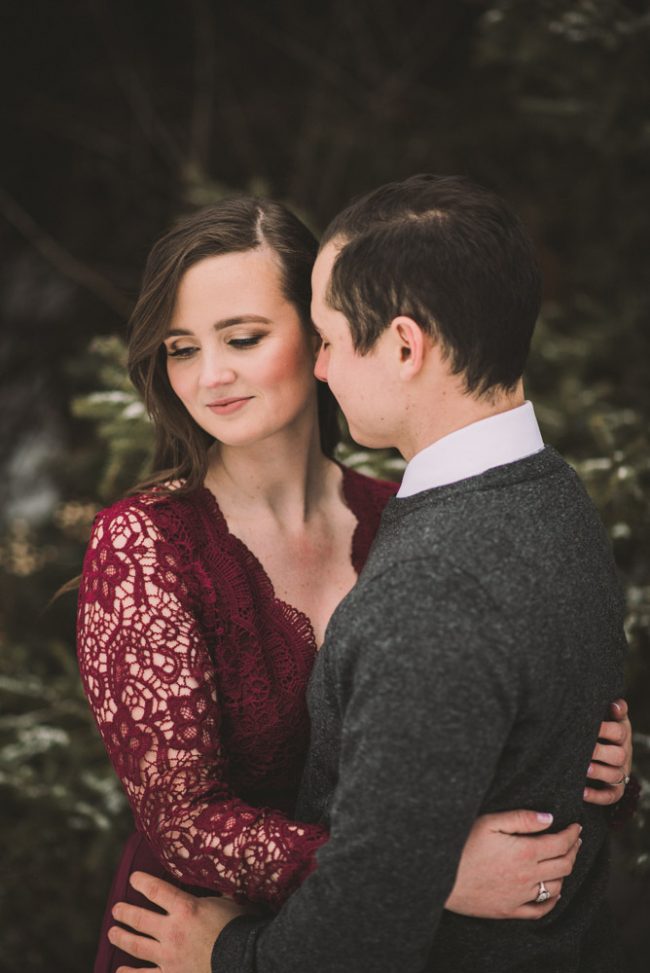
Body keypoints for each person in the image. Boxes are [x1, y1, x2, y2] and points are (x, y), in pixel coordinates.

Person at [77, 193, 631, 973]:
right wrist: (424, 872)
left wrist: (583, 748)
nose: (209, 375)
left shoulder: (403, 515)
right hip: (196, 933)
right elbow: (184, 819)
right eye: (180, 348)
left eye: (242, 337)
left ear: (319, 332)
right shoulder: (144, 544)